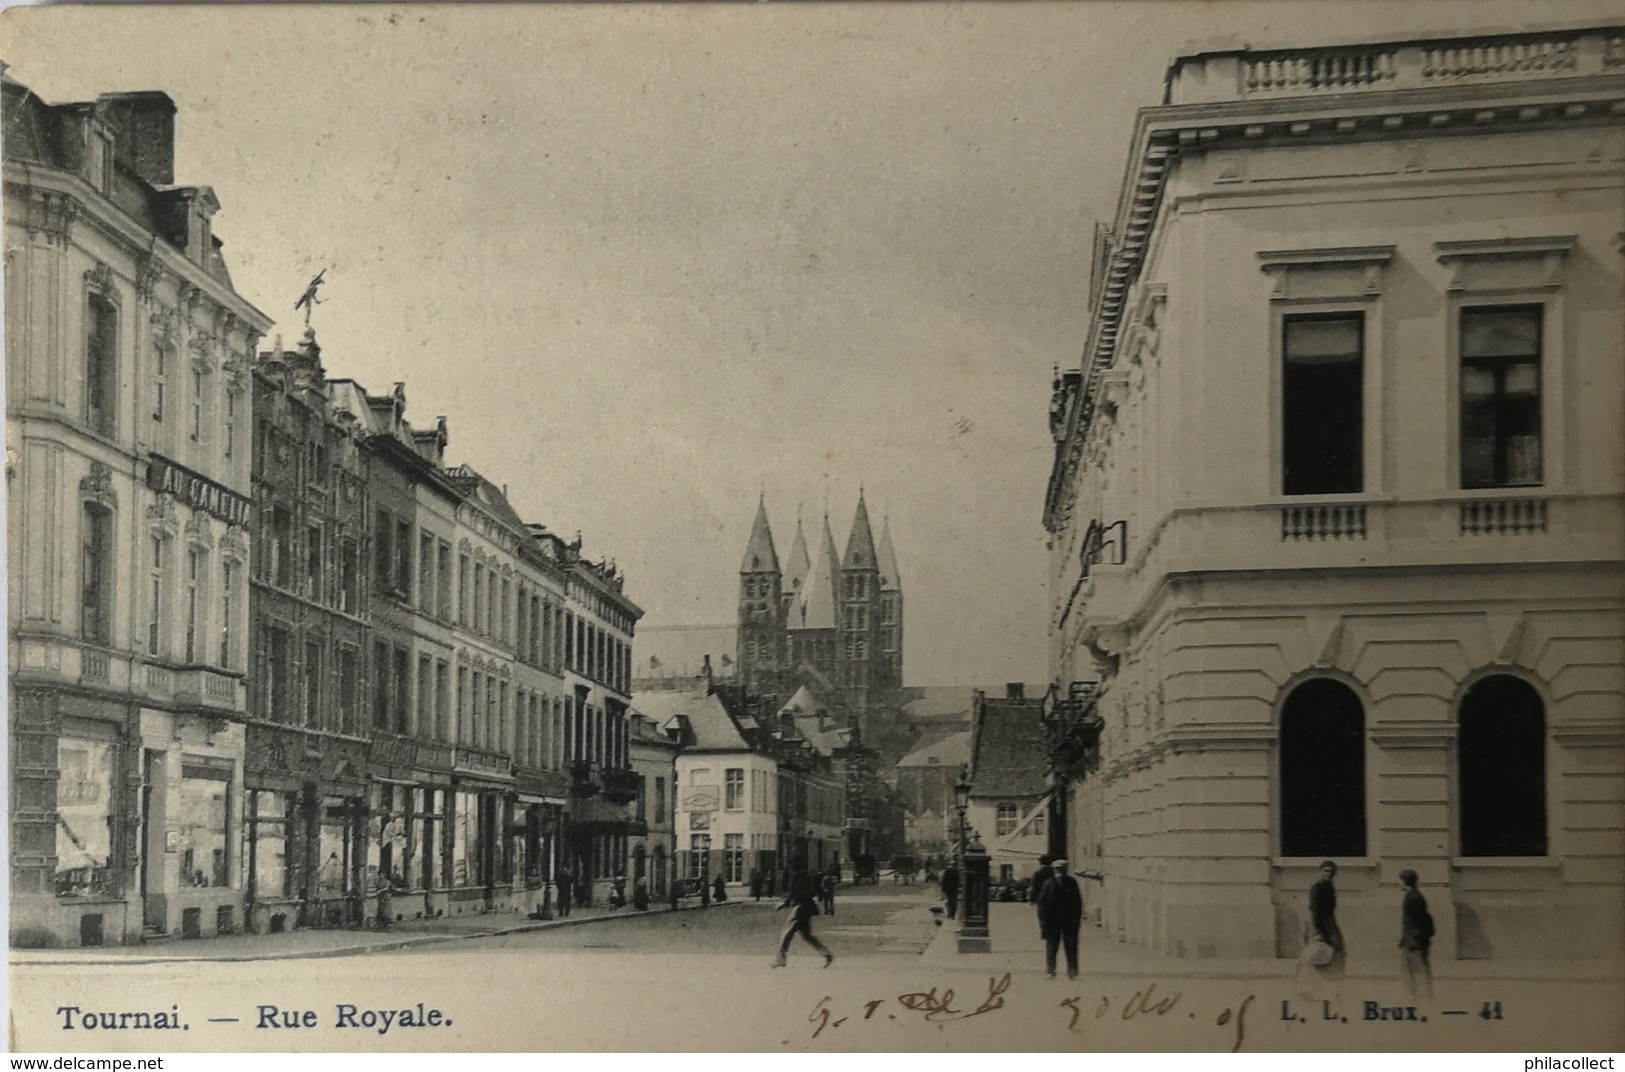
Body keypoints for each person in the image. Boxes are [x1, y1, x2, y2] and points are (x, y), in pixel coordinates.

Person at [1295, 860, 1346, 997]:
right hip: (1317, 923)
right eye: (1325, 871)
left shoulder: (1329, 886)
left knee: (1334, 953)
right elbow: (1315, 910)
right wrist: (1318, 931)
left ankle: (1328, 989)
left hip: (1328, 922)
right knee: (1314, 954)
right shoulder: (1317, 887)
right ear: (1321, 871)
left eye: (1330, 871)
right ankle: (1306, 989)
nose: (1328, 874)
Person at [773, 869, 832, 968]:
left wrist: (784, 904)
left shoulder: (795, 876)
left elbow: (793, 894)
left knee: (787, 933)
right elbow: (818, 890)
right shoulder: (808, 877)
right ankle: (826, 954)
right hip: (808, 908)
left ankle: (780, 960)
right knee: (807, 935)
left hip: (800, 908)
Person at [1036, 858, 1084, 979]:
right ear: (1053, 871)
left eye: (1062, 870)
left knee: (1071, 946)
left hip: (1068, 920)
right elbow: (1041, 904)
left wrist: (1075, 919)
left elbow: (1077, 902)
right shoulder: (1048, 884)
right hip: (1052, 921)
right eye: (1057, 870)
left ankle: (1072, 972)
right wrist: (1043, 923)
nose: (1059, 873)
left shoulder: (1072, 883)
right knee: (1052, 947)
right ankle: (1050, 971)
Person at [1398, 868, 1435, 1000]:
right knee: (1410, 969)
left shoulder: (1414, 898)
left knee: (1418, 969)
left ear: (1405, 882)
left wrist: (1412, 939)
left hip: (1415, 940)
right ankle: (1414, 995)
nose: (1400, 883)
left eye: (1401, 881)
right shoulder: (1412, 895)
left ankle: (1424, 995)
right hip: (1412, 939)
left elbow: (1417, 920)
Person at [1030, 854, 1054, 931]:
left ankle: (1044, 931)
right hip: (1053, 896)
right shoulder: (1053, 872)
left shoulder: (1038, 873)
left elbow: (1034, 886)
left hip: (1040, 898)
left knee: (1042, 915)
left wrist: (1032, 899)